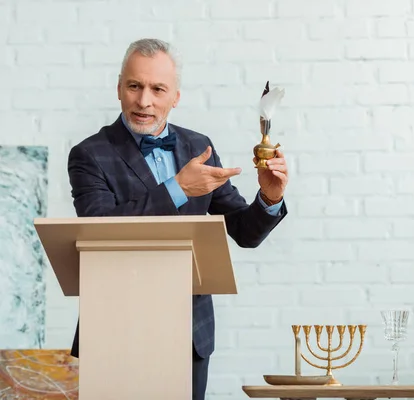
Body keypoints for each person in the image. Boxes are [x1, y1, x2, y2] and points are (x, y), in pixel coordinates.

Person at [66, 38, 288, 399]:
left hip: (189, 334)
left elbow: (243, 232)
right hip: (113, 329)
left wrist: (270, 196)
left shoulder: (198, 146)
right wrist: (178, 188)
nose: (144, 101)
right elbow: (100, 226)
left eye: (158, 89)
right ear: (119, 88)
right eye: (135, 86)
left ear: (176, 97)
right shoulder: (89, 154)